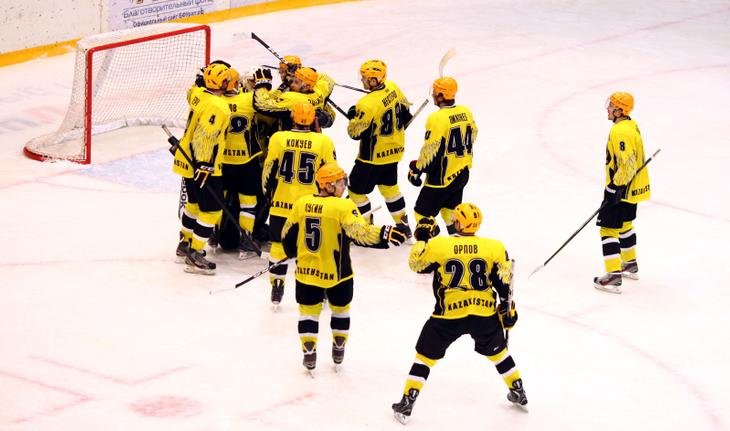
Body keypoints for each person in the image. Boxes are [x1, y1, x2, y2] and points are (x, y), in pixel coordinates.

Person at [391, 203, 527, 424]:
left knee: (425, 357)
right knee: (499, 352)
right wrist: (508, 309)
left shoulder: (440, 245)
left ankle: (407, 401)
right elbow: (504, 284)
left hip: (448, 315)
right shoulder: (494, 247)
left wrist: (423, 237)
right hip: (483, 313)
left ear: (457, 223)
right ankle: (518, 389)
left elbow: (416, 264)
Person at [281, 162, 408, 373]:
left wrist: (293, 251)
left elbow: (287, 236)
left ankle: (308, 350)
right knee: (340, 310)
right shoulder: (344, 207)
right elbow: (360, 233)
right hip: (339, 273)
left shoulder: (301, 204)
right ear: (328, 185)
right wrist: (384, 234)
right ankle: (339, 346)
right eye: (340, 183)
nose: (344, 186)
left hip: (306, 273)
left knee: (308, 313)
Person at [261, 101, 337, 306]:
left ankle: (277, 284)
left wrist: (268, 196)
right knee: (313, 248)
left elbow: (268, 171)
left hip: (281, 204)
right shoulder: (323, 141)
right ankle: (318, 290)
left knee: (278, 246)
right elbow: (332, 175)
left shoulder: (278, 138)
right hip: (311, 206)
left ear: (293, 117)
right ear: (313, 119)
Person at [172, 62, 233, 274]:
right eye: (226, 79)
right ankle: (195, 254)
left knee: (194, 204)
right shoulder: (218, 106)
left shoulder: (198, 94)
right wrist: (205, 165)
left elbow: (191, 91)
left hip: (187, 159)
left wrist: (199, 81)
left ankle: (185, 243)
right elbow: (204, 137)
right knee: (212, 211)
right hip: (203, 164)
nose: (230, 82)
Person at [346, 60, 413, 237]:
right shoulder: (392, 87)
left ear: (374, 80)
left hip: (371, 159)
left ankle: (365, 228)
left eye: (365, 78)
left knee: (355, 192)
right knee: (390, 189)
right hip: (395, 153)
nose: (362, 80)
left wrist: (353, 116)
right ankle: (403, 226)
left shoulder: (366, 104)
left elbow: (355, 133)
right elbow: (406, 114)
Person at [594, 92, 651, 293]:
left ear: (620, 111)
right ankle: (629, 264)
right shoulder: (630, 124)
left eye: (612, 106)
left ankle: (613, 276)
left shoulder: (620, 131)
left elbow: (627, 164)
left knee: (608, 229)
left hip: (622, 189)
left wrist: (614, 188)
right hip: (632, 188)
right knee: (625, 224)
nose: (608, 109)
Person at [407, 77, 478, 235]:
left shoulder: (437, 118)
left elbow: (431, 151)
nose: (433, 94)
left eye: (435, 92)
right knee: (450, 212)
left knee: (421, 214)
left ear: (441, 96)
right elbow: (473, 134)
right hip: (462, 173)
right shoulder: (466, 111)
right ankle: (456, 243)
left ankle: (430, 243)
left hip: (440, 179)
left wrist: (417, 169)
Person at [219, 67, 264, 259]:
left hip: (222, 160)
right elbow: (267, 102)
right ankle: (246, 243)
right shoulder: (248, 99)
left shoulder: (215, 101)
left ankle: (214, 235)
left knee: (220, 200)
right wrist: (260, 85)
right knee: (248, 202)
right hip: (247, 160)